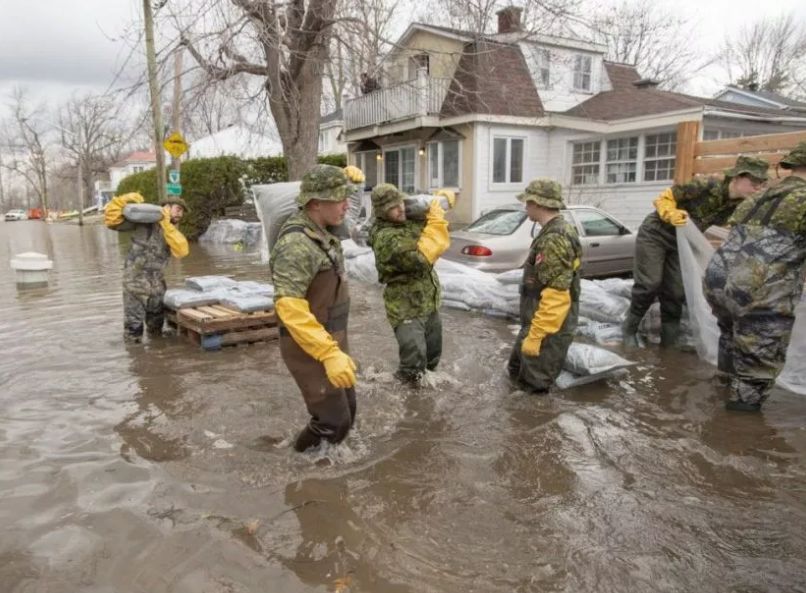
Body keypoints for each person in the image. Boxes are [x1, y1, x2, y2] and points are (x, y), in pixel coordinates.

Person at [622, 155, 769, 348]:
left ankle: (669, 344)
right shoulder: (707, 185)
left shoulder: (739, 206)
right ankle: (629, 330)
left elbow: (741, 230)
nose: (758, 188)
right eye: (754, 183)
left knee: (675, 292)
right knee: (649, 284)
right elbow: (665, 197)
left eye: (761, 184)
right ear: (737, 178)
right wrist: (670, 213)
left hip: (681, 242)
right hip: (656, 234)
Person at [704, 142, 806, 412]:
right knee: (755, 368)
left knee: (732, 337)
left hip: (718, 280)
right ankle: (737, 435)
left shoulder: (761, 196)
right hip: (757, 288)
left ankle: (722, 389)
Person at [271, 164, 365, 452]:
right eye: (340, 199)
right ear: (315, 204)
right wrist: (327, 354)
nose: (346, 205)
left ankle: (327, 458)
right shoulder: (296, 244)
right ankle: (298, 468)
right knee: (332, 422)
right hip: (308, 346)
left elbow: (350, 215)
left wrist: (352, 185)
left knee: (348, 411)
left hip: (332, 341)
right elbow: (290, 308)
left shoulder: (322, 230)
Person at [367, 183, 454, 385]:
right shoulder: (386, 237)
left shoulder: (406, 220)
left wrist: (441, 202)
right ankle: (407, 406)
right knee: (413, 367)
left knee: (432, 358)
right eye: (393, 208)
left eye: (400, 204)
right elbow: (423, 258)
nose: (400, 210)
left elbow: (426, 212)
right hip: (405, 307)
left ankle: (426, 402)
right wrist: (437, 222)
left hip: (428, 301)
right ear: (382, 212)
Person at [508, 179, 582, 393]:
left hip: (547, 328)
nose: (525, 207)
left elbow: (557, 296)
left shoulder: (554, 239)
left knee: (533, 388)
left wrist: (537, 335)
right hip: (537, 323)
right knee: (515, 373)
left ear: (538, 204)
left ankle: (534, 424)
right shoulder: (553, 230)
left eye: (528, 203)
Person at [104, 193, 189, 343]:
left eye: (182, 211)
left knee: (156, 328)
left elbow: (182, 251)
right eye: (178, 209)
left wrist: (167, 225)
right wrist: (123, 200)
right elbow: (111, 221)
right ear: (166, 208)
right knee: (133, 328)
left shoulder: (171, 231)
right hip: (135, 282)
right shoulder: (142, 223)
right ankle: (136, 358)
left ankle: (156, 358)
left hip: (157, 284)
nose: (180, 213)